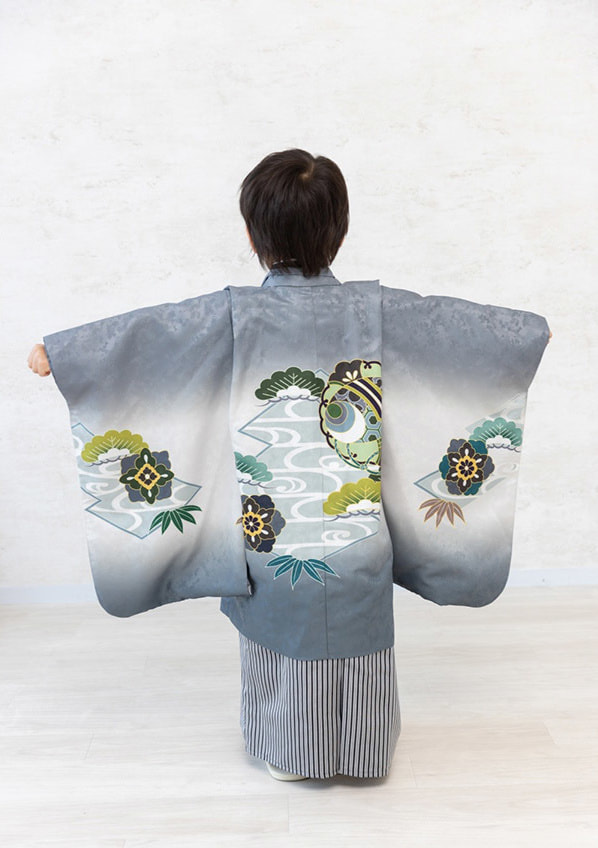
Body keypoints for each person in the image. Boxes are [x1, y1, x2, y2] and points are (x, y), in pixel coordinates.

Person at [28, 148, 552, 782]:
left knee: (279, 631)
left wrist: (65, 355)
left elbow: (152, 335)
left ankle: (287, 752)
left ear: (253, 237)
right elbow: (459, 327)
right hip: (357, 533)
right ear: (341, 231)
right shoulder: (377, 311)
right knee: (357, 633)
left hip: (269, 530)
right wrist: (526, 338)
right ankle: (362, 751)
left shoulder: (232, 317)